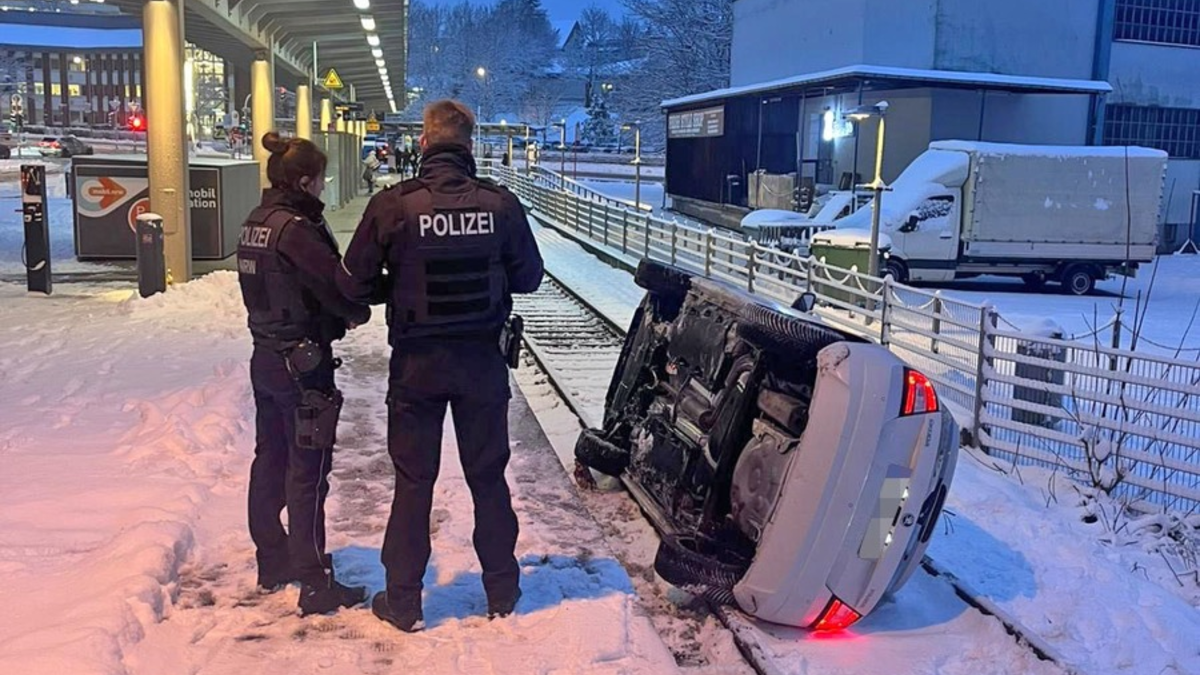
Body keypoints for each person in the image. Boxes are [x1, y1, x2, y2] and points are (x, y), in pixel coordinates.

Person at [336, 99, 543, 633]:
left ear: (424, 143)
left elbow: (353, 283)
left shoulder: (393, 205)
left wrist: (397, 285)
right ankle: (502, 591)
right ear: (470, 146)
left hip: (417, 367)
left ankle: (404, 601)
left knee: (413, 482)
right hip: (482, 364)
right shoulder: (500, 205)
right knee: (488, 478)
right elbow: (529, 277)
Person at [237, 132, 370, 616]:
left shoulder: (257, 222)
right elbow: (338, 287)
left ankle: (273, 561)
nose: (322, 187)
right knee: (308, 472)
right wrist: (356, 311)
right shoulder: (296, 230)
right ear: (303, 181)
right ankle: (315, 583)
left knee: (269, 459)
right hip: (302, 365)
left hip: (266, 357)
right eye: (319, 179)